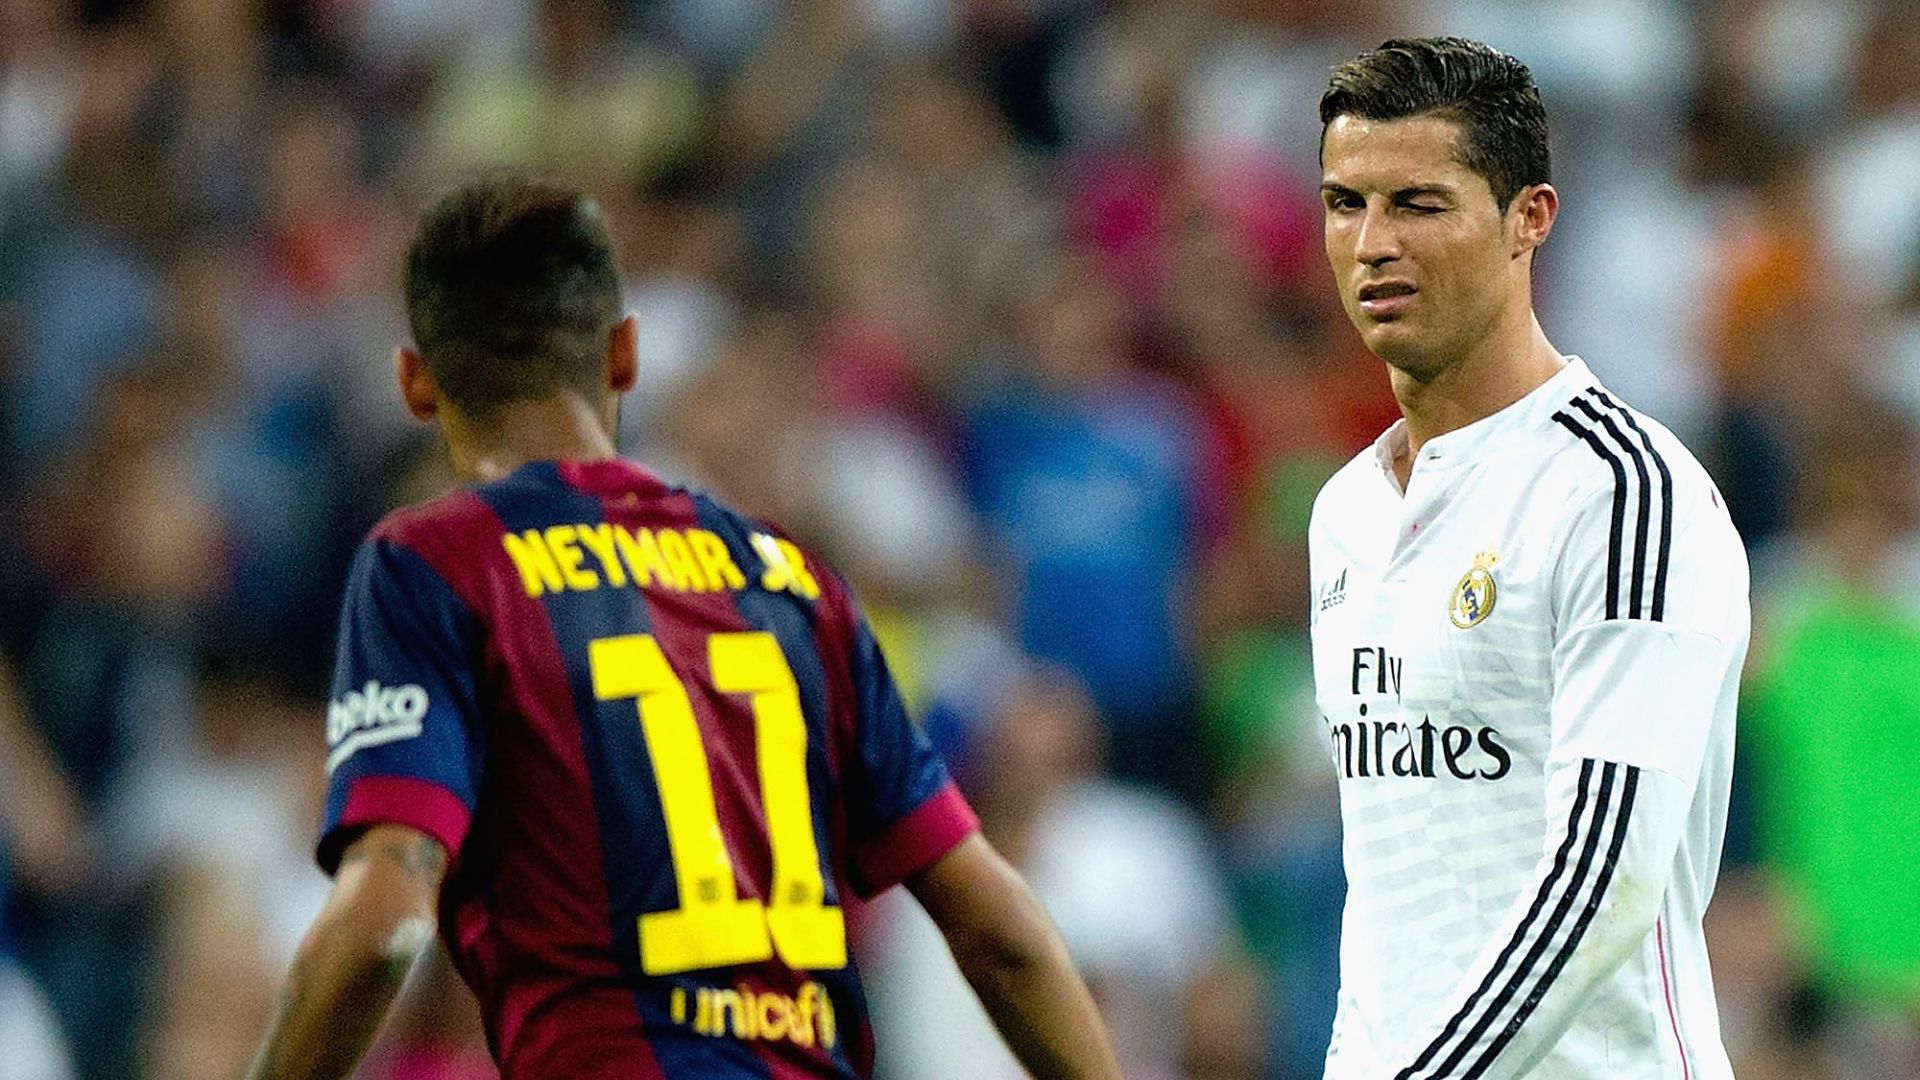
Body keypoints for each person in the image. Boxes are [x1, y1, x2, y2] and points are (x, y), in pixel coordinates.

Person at [243, 175, 1122, 1080]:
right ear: (624, 355)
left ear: (415, 382)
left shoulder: (436, 565)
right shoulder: (795, 582)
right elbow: (999, 931)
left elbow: (384, 924)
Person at [1306, 38, 1749, 1079]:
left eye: (1418, 203)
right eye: (1344, 203)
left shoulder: (1623, 494)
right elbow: (1388, 892)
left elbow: (1606, 880)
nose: (1372, 243)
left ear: (1529, 219)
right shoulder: (1346, 514)